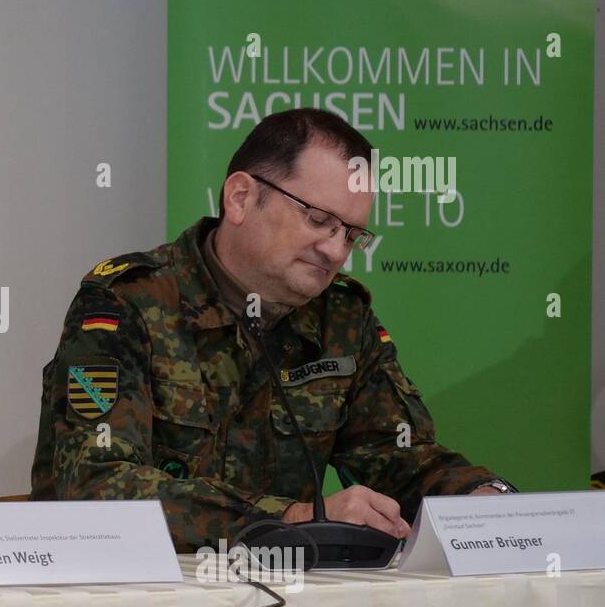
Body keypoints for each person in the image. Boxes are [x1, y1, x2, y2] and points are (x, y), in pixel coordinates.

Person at [31, 107, 513, 550]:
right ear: (241, 197)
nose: (336, 251)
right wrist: (291, 517)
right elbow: (97, 486)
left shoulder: (342, 318)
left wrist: (482, 498)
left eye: (352, 233)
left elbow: (396, 458)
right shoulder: (128, 302)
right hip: (136, 605)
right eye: (320, 219)